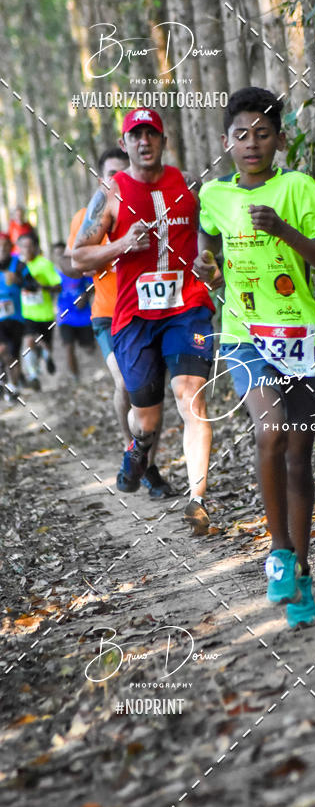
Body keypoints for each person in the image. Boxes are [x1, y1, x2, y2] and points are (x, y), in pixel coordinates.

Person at [196, 86, 315, 628]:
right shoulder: (215, 196)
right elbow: (205, 249)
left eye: (262, 133)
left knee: (300, 460)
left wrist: (283, 230)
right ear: (227, 142)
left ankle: (302, 573)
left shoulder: (298, 188)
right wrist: (206, 270)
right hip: (243, 335)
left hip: (301, 337)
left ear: (279, 140)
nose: (251, 143)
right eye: (241, 135)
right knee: (270, 431)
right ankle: (279, 552)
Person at [72, 110, 215, 531]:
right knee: (147, 418)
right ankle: (139, 446)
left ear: (163, 140)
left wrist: (211, 264)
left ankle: (197, 500)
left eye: (151, 134)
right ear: (125, 143)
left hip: (187, 305)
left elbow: (210, 239)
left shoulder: (188, 184)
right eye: (136, 136)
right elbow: (80, 256)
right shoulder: (112, 193)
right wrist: (118, 245)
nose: (144, 142)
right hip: (134, 315)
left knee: (192, 400)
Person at [65, 148, 173, 498]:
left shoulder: (144, 208)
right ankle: (132, 449)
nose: (118, 178)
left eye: (122, 172)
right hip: (108, 314)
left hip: (146, 313)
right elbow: (75, 261)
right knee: (126, 384)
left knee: (151, 394)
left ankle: (149, 467)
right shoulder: (87, 215)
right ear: (101, 179)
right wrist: (110, 250)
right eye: (112, 174)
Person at [16, 233, 61, 390]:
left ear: (35, 247)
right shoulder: (18, 266)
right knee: (30, 341)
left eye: (29, 246)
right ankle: (33, 375)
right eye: (23, 246)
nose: (26, 249)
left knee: (45, 346)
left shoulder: (44, 264)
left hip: (46, 315)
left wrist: (43, 287)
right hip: (27, 315)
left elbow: (58, 286)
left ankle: (47, 356)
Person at [50, 241, 95, 380]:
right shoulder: (52, 273)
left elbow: (93, 284)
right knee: (69, 347)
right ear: (53, 256)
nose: (60, 257)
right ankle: (76, 377)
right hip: (65, 315)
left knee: (89, 348)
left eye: (62, 253)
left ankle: (93, 361)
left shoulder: (79, 269)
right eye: (57, 254)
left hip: (84, 315)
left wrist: (85, 296)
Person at [0, 232, 25, 399]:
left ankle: (13, 386)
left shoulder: (19, 264)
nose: (2, 249)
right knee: (3, 350)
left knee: (14, 354)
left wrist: (17, 280)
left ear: (10, 247)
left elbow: (32, 284)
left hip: (16, 316)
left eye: (5, 245)